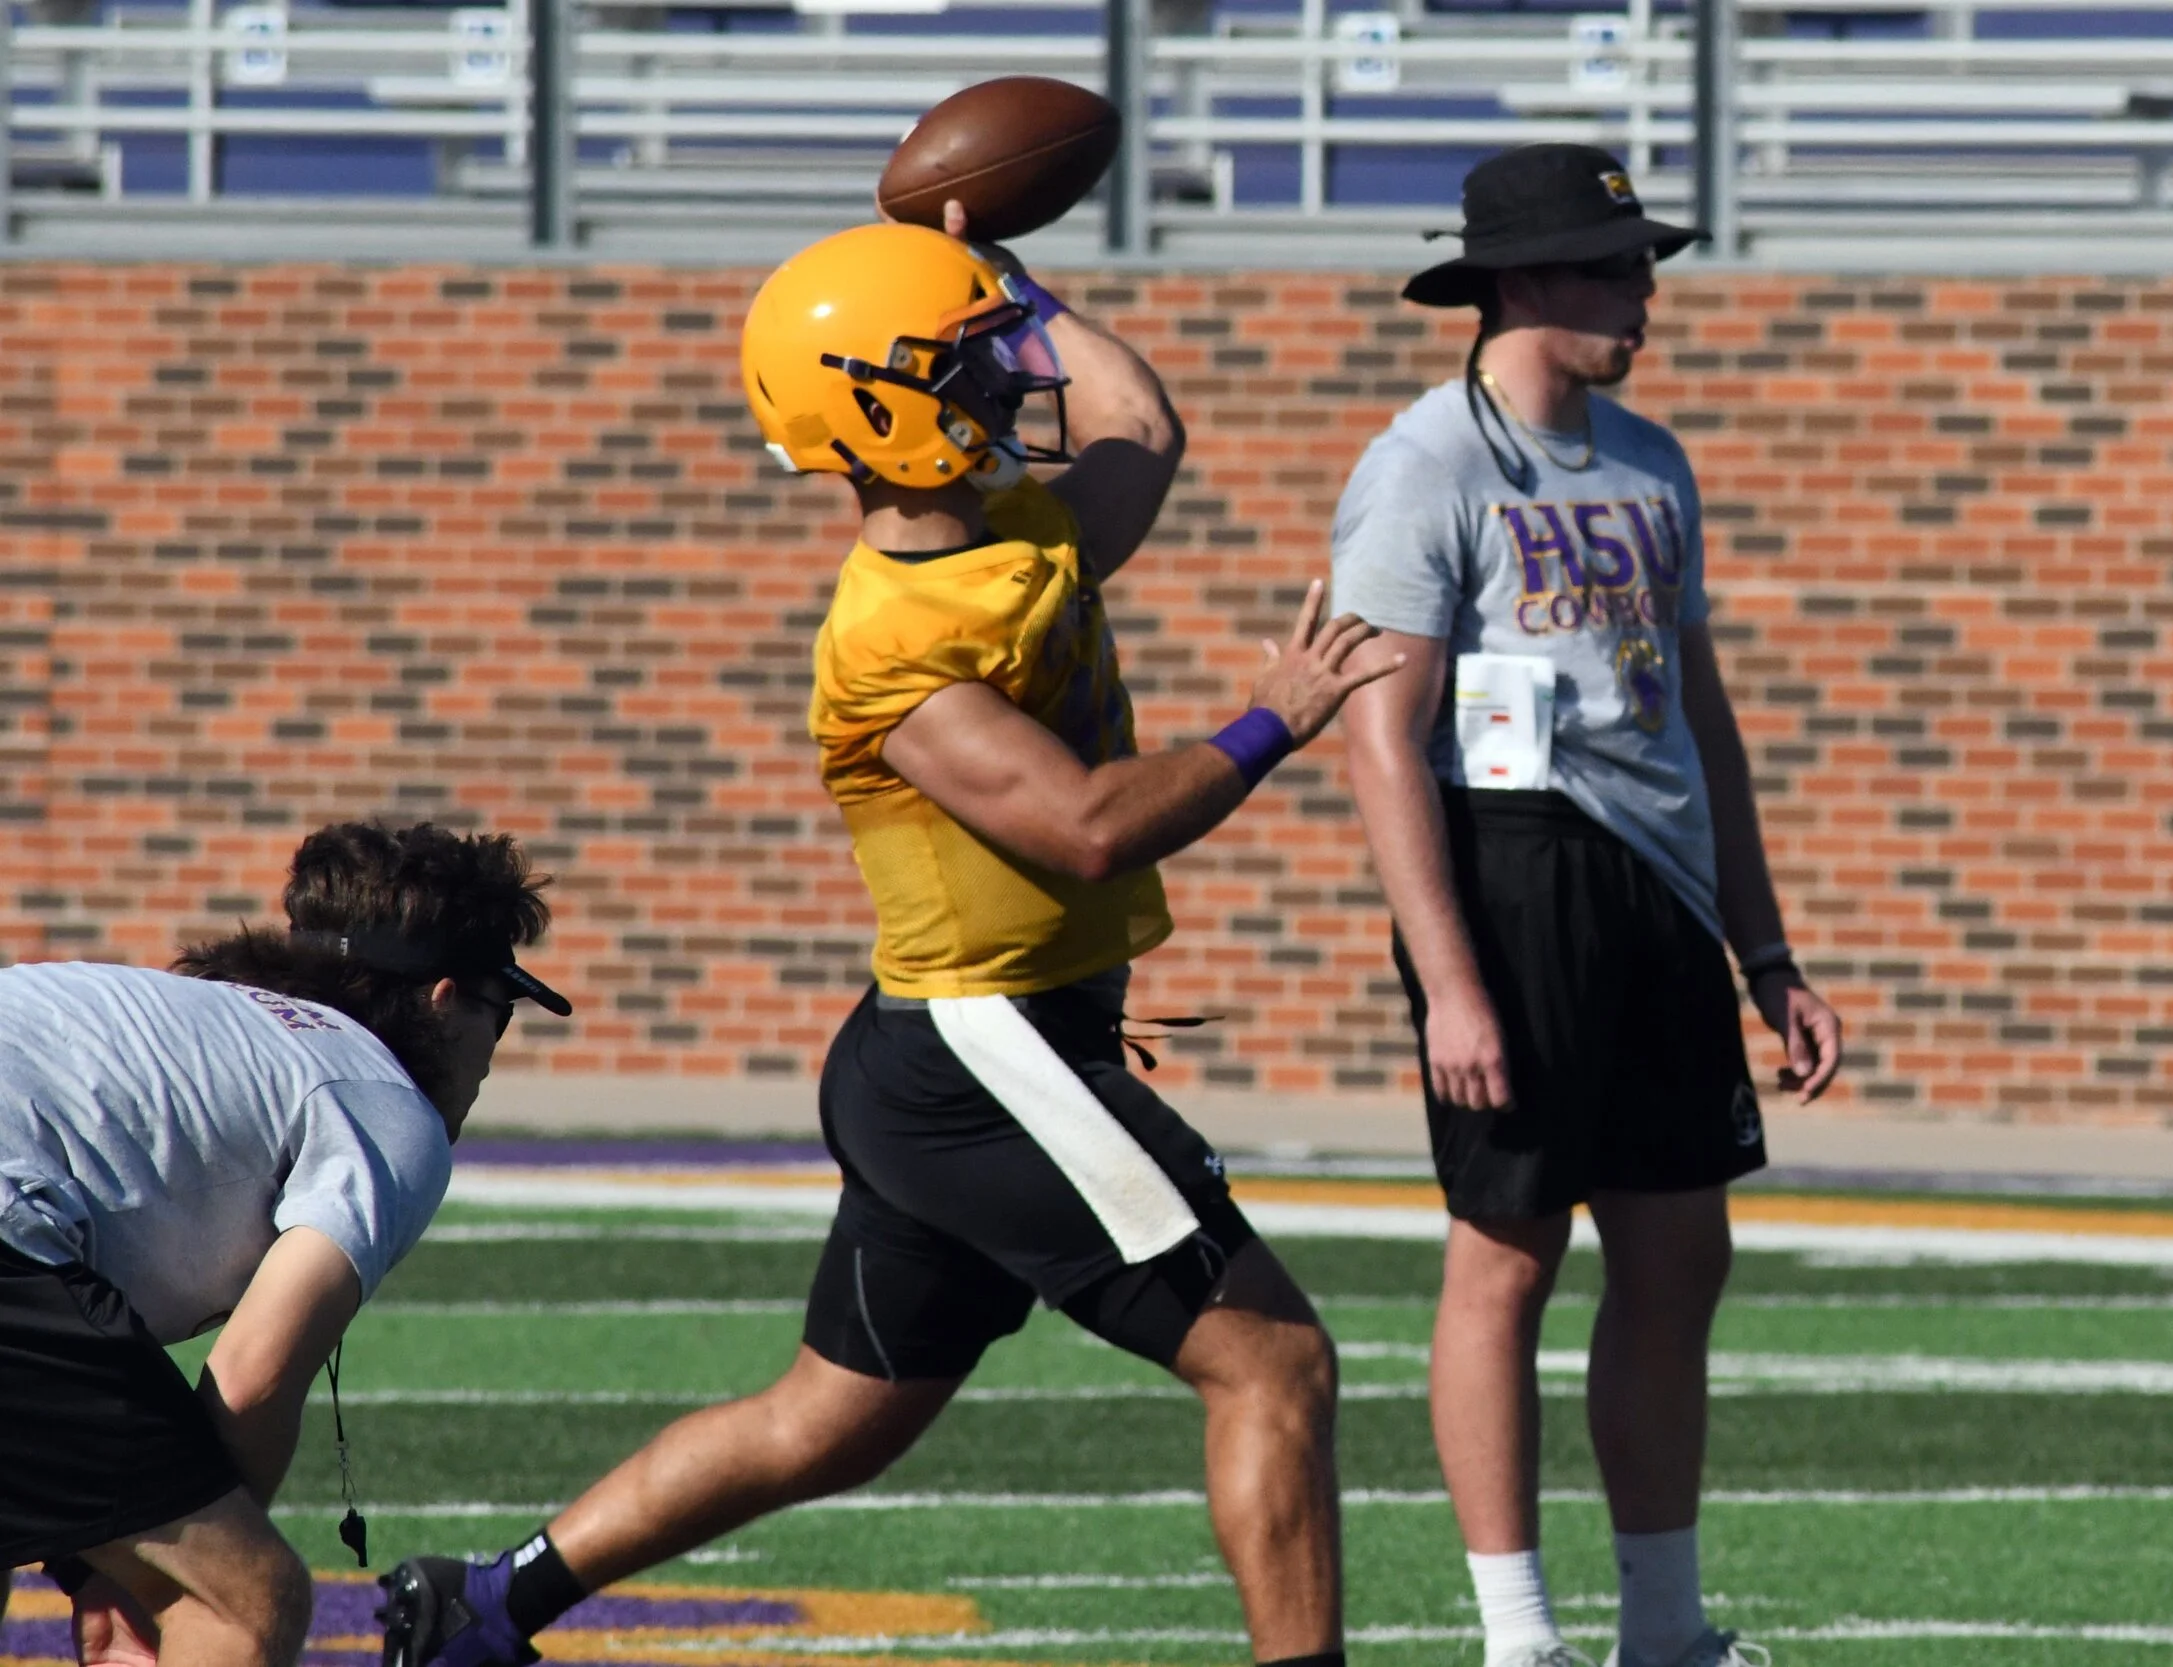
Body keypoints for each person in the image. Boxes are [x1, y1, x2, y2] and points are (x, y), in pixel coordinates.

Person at [377, 206, 1395, 1667]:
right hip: (985, 1053)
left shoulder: (1007, 528)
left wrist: (997, 272)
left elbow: (1139, 419)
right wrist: (1271, 718)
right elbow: (1090, 824)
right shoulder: (892, 636)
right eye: (974, 363)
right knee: (1275, 1362)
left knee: (831, 1418)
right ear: (885, 411)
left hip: (961, 1046)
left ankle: (483, 1602)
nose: (1016, 378)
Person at [1332, 146, 1846, 1667]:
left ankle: (1666, 1628)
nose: (1645, 293)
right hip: (1512, 867)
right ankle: (1520, 1637)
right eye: (1618, 266)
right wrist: (1456, 981)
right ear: (1527, 280)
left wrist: (1769, 949)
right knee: (1508, 1249)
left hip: (1661, 884)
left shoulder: (1652, 458)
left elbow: (1699, 707)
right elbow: (1380, 733)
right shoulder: (1422, 462)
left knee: (1681, 1250)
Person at [0, 821, 566, 1667]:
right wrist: (136, 1578)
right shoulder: (381, 1099)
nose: (494, 1049)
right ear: (446, 1001)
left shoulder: (193, 1021)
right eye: (502, 1010)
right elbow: (254, 1376)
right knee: (245, 1601)